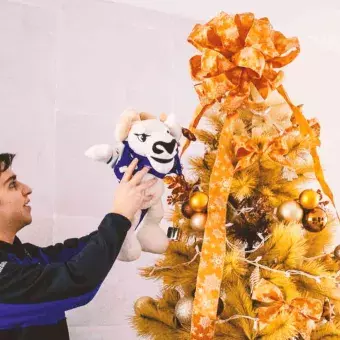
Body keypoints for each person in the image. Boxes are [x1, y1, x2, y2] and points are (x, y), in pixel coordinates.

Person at [0, 152, 157, 340]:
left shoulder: (19, 255)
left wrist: (134, 207)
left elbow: (78, 252)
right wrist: (119, 216)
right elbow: (77, 281)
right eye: (12, 185)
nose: (26, 189)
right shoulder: (6, 276)